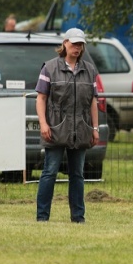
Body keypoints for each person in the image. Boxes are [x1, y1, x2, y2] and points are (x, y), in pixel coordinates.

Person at [35, 27, 100, 223]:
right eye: (74, 44)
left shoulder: (90, 70)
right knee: (49, 172)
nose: (77, 48)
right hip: (55, 128)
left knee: (77, 175)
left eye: (81, 44)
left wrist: (95, 128)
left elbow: (93, 102)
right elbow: (41, 98)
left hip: (81, 129)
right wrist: (44, 124)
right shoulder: (49, 68)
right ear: (65, 44)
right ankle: (42, 217)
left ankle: (78, 218)